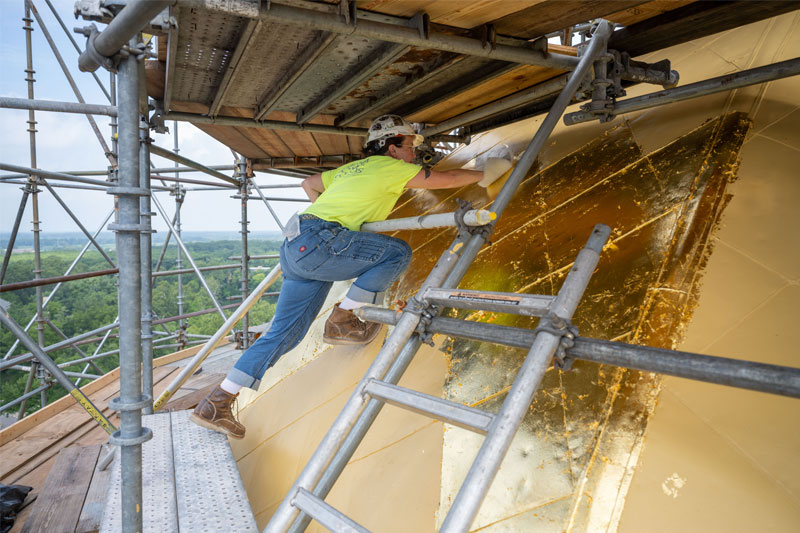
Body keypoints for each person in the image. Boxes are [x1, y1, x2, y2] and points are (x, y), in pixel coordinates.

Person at [190, 115, 511, 439]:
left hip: (296, 244)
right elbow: (447, 177)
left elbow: (309, 184)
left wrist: (330, 220)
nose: (414, 153)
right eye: (410, 145)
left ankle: (216, 402)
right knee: (396, 253)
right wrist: (489, 172)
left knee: (284, 335)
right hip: (318, 241)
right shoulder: (392, 167)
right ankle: (342, 318)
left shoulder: (351, 169)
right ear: (392, 146)